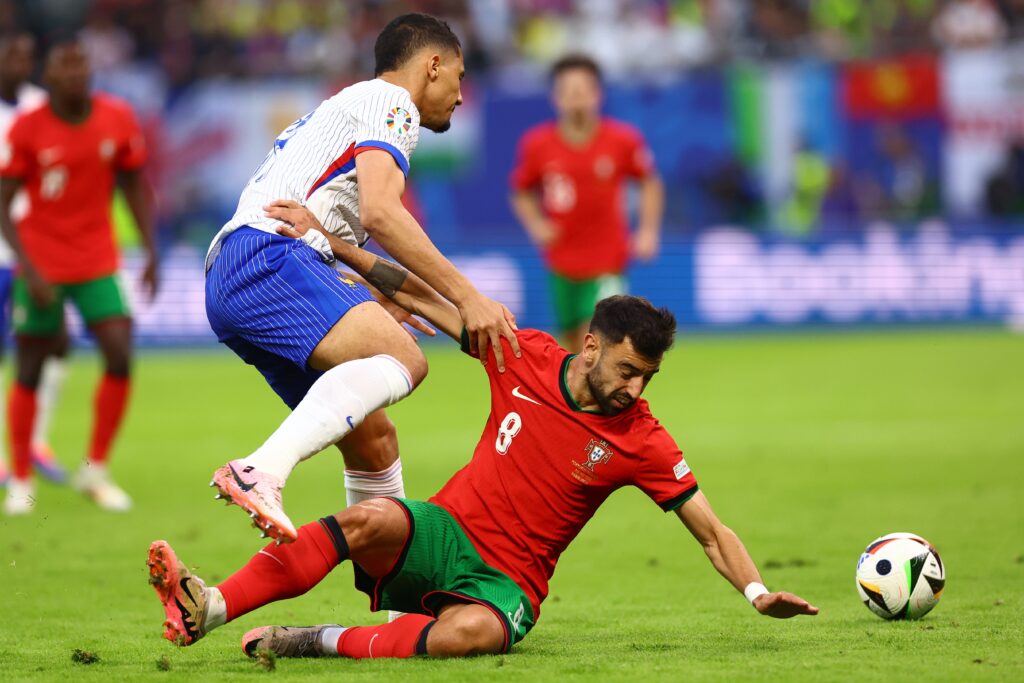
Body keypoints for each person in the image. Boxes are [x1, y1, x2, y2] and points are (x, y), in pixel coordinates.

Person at [149, 212, 817, 658]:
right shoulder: (520, 353)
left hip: (510, 585)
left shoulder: (642, 438)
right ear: (590, 346)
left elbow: (709, 528)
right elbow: (421, 298)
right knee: (370, 517)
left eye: (646, 377)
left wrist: (758, 593)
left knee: (465, 634)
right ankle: (206, 606)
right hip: (445, 533)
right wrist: (334, 242)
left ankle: (312, 640)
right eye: (626, 370)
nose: (634, 389)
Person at [203, 13, 519, 545]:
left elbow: (359, 238)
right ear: (432, 65)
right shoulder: (390, 103)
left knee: (373, 438)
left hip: (241, 271)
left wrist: (442, 310)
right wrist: (469, 296)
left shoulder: (347, 111)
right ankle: (262, 469)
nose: (462, 96)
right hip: (268, 256)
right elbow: (381, 213)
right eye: (460, 77)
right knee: (405, 360)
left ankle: (398, 606)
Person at [0, 39, 157, 515]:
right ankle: (21, 479)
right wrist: (29, 265)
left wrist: (151, 250)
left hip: (96, 259)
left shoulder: (117, 117)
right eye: (62, 68)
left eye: (80, 65)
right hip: (43, 261)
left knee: (119, 352)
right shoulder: (29, 127)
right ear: (49, 78)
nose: (73, 75)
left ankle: (95, 469)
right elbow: (4, 203)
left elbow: (132, 182)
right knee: (30, 364)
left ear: (90, 70)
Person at [510, 54, 664, 352]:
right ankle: (582, 398)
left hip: (608, 259)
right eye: (568, 91)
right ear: (556, 98)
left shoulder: (622, 140)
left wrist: (647, 230)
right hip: (562, 259)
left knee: (595, 337)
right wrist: (537, 225)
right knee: (572, 345)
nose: (576, 98)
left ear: (597, 94)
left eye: (582, 90)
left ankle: (609, 397)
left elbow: (649, 182)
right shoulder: (537, 144)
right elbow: (521, 190)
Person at [0, 33, 69, 489]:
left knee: (55, 345)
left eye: (28, 55)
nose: (21, 63)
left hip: (39, 251)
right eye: (12, 56)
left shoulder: (42, 106)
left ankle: (36, 442)